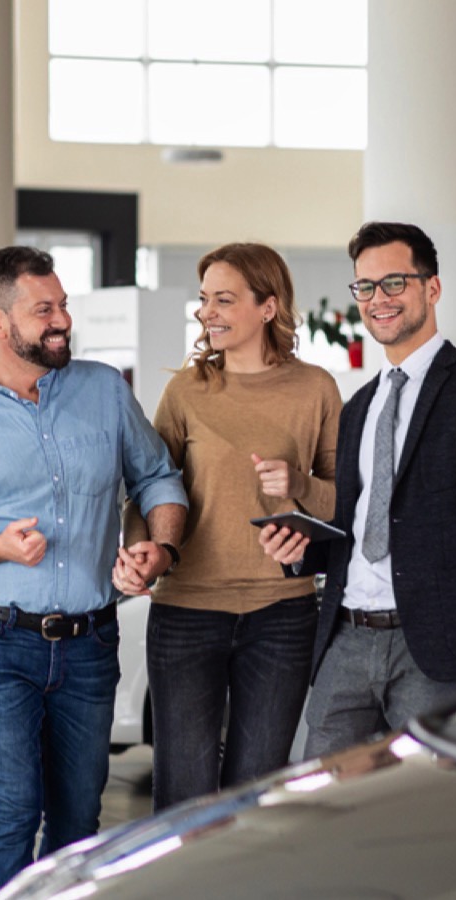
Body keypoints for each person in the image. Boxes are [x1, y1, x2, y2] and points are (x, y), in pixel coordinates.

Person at [0, 246, 187, 900]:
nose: (62, 321)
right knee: (10, 816)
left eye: (62, 306)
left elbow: (157, 478)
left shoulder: (104, 391)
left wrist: (159, 549)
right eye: (44, 310)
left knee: (80, 824)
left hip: (91, 643)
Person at [259, 221, 456, 758]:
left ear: (431, 289)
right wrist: (300, 552)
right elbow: (360, 524)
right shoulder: (360, 406)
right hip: (346, 638)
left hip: (437, 648)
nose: (377, 300)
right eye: (365, 287)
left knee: (435, 809)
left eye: (394, 283)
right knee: (324, 803)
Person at [115, 243, 340, 811]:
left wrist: (299, 484)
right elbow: (148, 487)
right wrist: (140, 549)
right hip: (188, 612)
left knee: (257, 795)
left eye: (223, 299)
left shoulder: (316, 388)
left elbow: (342, 503)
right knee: (184, 792)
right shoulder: (186, 392)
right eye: (203, 299)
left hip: (284, 615)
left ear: (268, 307)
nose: (206, 312)